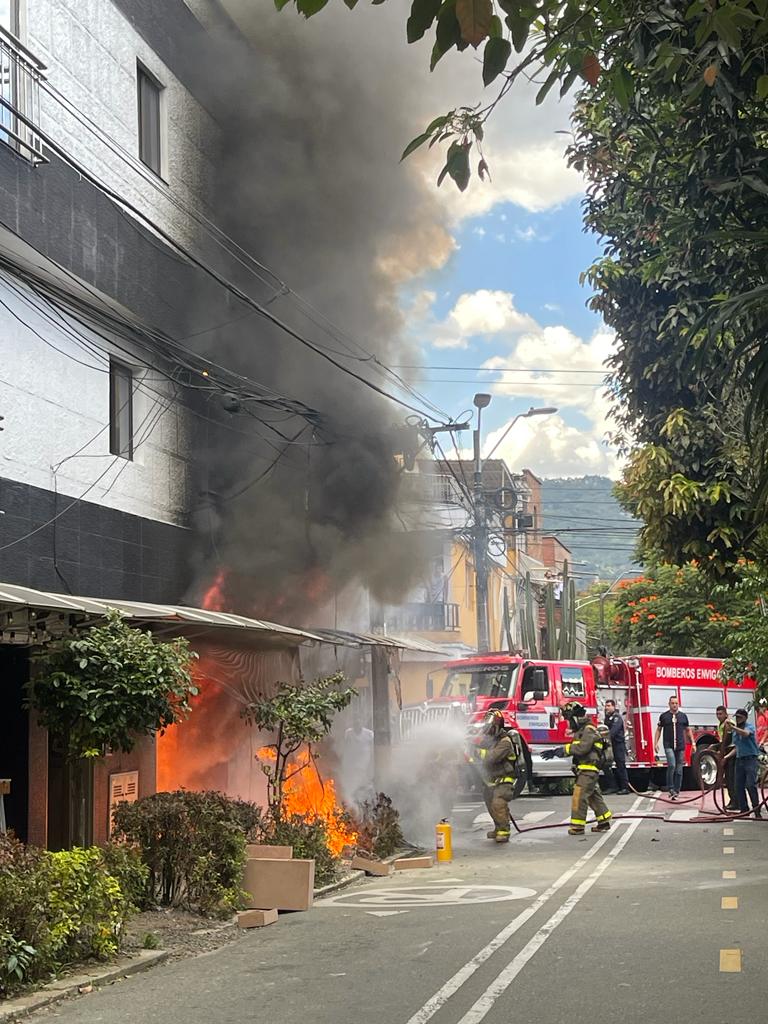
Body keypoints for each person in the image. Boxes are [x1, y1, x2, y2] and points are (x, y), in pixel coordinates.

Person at [542, 701, 612, 836]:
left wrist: (561, 750)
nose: (569, 723)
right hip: (586, 769)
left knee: (579, 797)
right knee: (592, 796)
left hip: (589, 770)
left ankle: (577, 826)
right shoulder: (582, 730)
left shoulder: (588, 730)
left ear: (575, 718)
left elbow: (582, 748)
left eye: (569, 720)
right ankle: (604, 821)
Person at [475, 708, 521, 844]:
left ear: (497, 726)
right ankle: (498, 827)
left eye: (490, 727)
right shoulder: (489, 740)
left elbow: (492, 757)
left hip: (505, 780)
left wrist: (476, 752)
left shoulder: (505, 742)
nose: (488, 730)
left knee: (498, 802)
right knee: (489, 802)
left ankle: (504, 831)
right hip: (492, 780)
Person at [653, 695, 695, 800]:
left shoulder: (683, 716)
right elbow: (659, 730)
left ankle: (677, 790)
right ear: (669, 704)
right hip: (668, 744)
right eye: (672, 703)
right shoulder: (664, 716)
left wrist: (693, 743)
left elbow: (688, 730)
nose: (674, 705)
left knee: (679, 769)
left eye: (676, 703)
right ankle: (670, 788)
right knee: (672, 765)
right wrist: (655, 743)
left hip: (680, 745)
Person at [725, 708, 763, 818]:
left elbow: (746, 734)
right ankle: (744, 809)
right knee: (738, 786)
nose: (738, 719)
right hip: (739, 759)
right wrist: (726, 757)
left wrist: (733, 727)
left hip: (750, 759)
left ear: (745, 718)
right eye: (736, 717)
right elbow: (737, 747)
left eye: (740, 717)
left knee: (750, 785)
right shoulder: (735, 732)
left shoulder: (749, 727)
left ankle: (756, 810)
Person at [342, 714, 375, 805]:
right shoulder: (348, 733)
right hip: (352, 762)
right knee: (352, 782)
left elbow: (372, 748)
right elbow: (346, 747)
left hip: (365, 763)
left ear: (362, 722)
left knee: (364, 782)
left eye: (359, 721)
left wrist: (371, 762)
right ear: (353, 723)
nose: (357, 723)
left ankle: (364, 801)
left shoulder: (369, 734)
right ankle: (353, 800)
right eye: (355, 721)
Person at [603, 699, 629, 795]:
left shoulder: (617, 718)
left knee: (620, 766)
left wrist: (605, 738)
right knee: (606, 765)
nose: (607, 708)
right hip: (610, 745)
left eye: (609, 706)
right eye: (606, 706)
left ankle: (625, 788)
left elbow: (613, 731)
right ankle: (613, 786)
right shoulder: (607, 718)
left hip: (618, 745)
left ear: (613, 707)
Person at [715, 705, 738, 811]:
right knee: (728, 779)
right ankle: (733, 800)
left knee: (731, 778)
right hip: (727, 751)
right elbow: (722, 740)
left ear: (725, 714)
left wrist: (721, 752)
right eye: (717, 714)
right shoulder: (721, 724)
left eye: (720, 714)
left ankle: (735, 802)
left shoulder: (728, 723)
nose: (718, 716)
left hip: (732, 752)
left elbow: (727, 740)